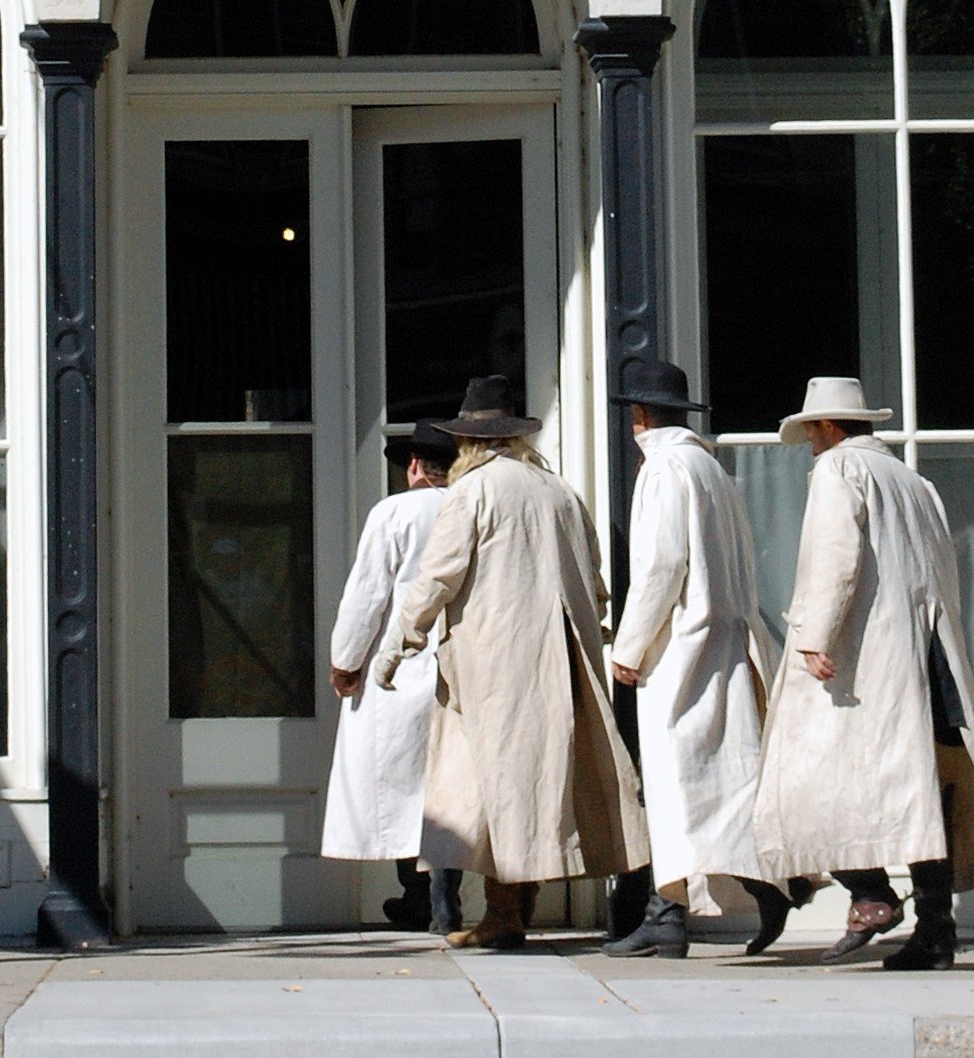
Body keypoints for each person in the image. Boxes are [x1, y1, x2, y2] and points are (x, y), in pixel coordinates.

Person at [373, 375, 649, 952]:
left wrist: (398, 643)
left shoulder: (472, 491)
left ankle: (504, 915)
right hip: (559, 658)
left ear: (467, 440)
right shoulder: (558, 491)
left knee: (498, 786)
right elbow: (594, 578)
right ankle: (510, 911)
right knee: (531, 785)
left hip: (496, 661)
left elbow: (437, 576)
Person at [750, 377, 974, 970]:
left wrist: (815, 636)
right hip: (927, 652)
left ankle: (871, 896)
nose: (811, 443)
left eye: (812, 431)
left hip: (868, 657)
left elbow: (834, 556)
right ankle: (935, 929)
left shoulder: (840, 469)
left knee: (804, 779)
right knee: (925, 792)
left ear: (827, 426)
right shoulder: (913, 480)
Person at [600, 359, 775, 960]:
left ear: (639, 417)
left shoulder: (663, 468)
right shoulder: (710, 467)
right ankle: (757, 890)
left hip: (681, 645)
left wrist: (629, 647)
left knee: (676, 783)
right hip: (725, 639)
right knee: (719, 781)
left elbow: (660, 565)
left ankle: (670, 914)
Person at [320, 419, 464, 935]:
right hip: (459, 668)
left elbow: (367, 594)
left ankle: (419, 896)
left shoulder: (395, 513)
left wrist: (346, 661)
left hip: (399, 668)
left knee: (402, 786)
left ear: (415, 466)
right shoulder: (470, 508)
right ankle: (444, 896)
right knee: (450, 788)